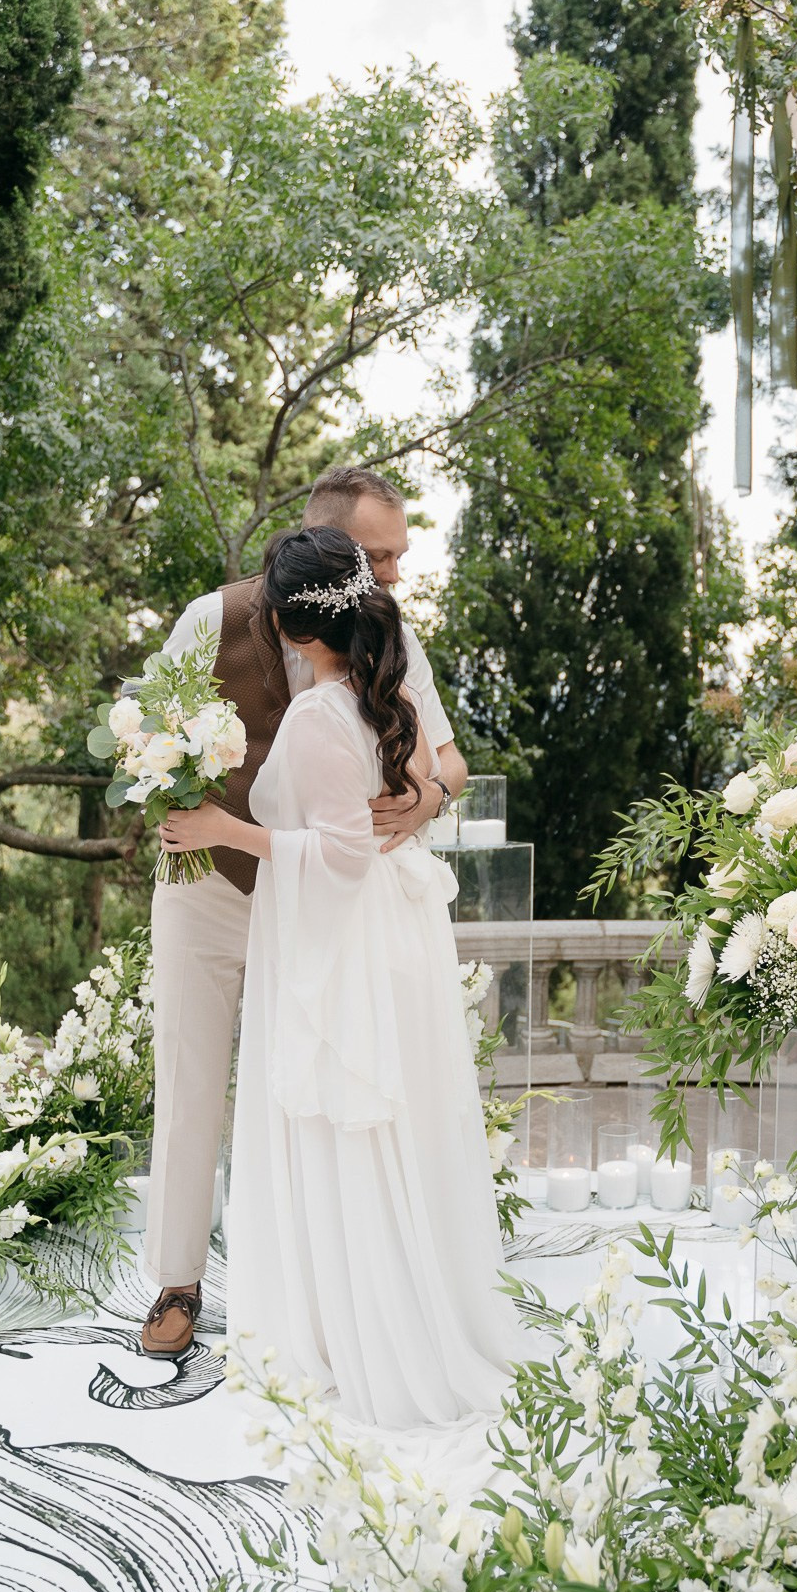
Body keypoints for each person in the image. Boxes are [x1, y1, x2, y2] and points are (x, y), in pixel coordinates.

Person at [157, 527, 522, 1427]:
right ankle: (203, 1286)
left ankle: (344, 1314)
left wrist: (422, 797)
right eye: (382, 555)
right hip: (255, 902)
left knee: (327, 1108)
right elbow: (155, 740)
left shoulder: (339, 692)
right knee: (268, 1096)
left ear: (293, 614)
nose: (393, 572)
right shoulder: (251, 636)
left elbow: (421, 786)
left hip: (318, 905)